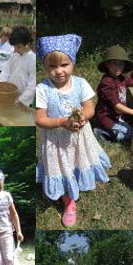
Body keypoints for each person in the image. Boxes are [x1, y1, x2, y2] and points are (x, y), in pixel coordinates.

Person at [35, 34, 111, 228]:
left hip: (79, 137)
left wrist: (83, 117)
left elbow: (89, 107)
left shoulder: (80, 83)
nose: (59, 71)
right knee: (62, 166)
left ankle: (77, 179)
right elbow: (40, 119)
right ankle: (69, 201)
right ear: (44, 67)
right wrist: (61, 122)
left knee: (78, 159)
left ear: (73, 63)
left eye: (64, 65)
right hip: (56, 140)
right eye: (52, 66)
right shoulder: (42, 89)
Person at [94, 45, 133, 142]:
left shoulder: (120, 77)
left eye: (121, 64)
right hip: (107, 119)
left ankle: (116, 128)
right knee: (131, 134)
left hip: (116, 115)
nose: (118, 67)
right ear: (107, 64)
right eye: (114, 63)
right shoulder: (107, 83)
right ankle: (102, 132)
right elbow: (116, 105)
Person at [0, 26, 35, 107]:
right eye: (14, 46)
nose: (15, 49)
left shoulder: (32, 59)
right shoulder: (13, 57)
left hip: (24, 100)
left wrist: (21, 100)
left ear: (27, 44)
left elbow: (32, 84)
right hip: (11, 94)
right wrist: (0, 87)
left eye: (18, 46)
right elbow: (5, 73)